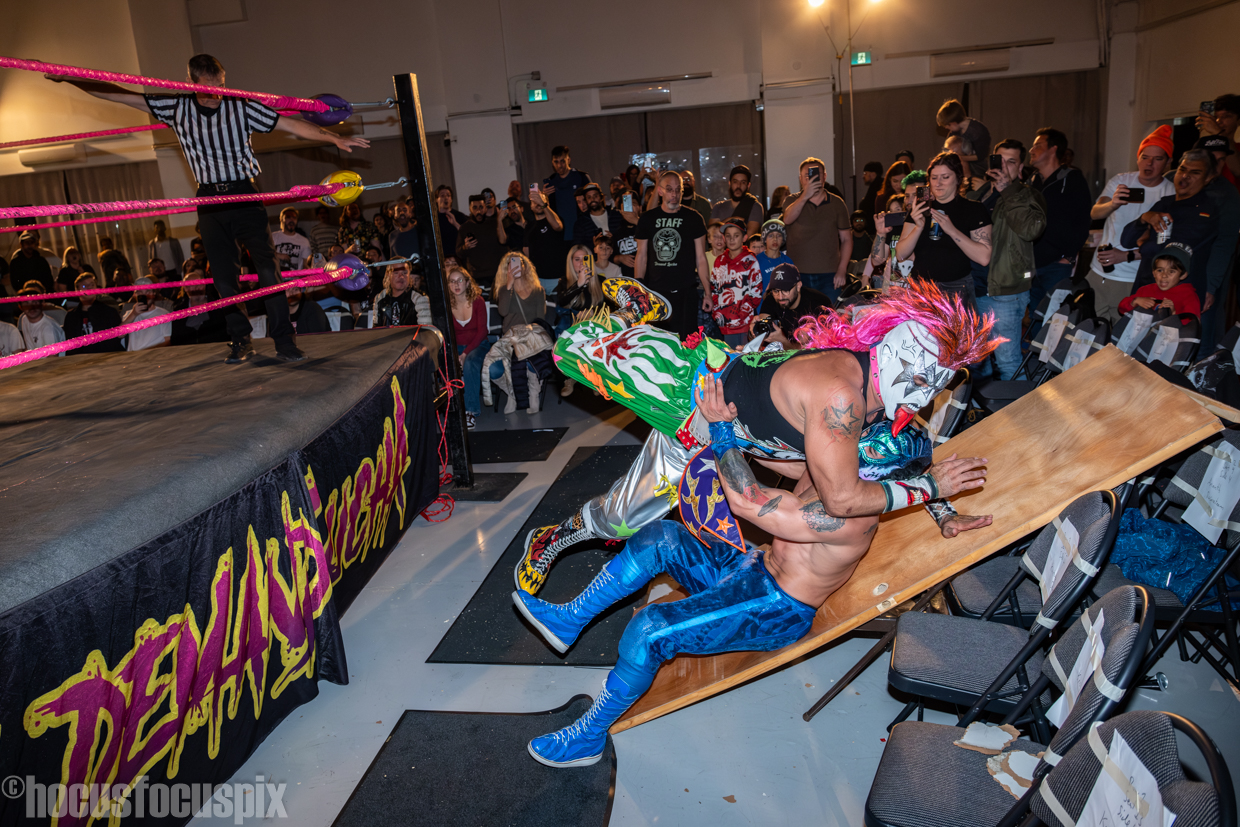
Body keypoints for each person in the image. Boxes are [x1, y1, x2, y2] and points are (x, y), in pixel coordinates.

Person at [512, 288, 996, 768]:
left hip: (775, 608)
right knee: (658, 538)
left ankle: (589, 736)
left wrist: (720, 427)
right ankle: (569, 618)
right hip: (753, 568)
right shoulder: (847, 466)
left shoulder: (851, 509)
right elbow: (792, 467)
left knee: (651, 629)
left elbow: (748, 502)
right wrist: (944, 511)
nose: (862, 438)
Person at [514, 276, 998, 596]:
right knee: (569, 351)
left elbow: (907, 455)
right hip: (696, 399)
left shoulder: (877, 393)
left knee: (643, 524)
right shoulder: (842, 397)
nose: (930, 390)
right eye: (927, 373)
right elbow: (844, 499)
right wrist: (934, 490)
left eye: (944, 379)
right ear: (896, 351)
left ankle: (634, 319)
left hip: (736, 430)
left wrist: (944, 511)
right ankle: (548, 539)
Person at [48, 53, 369, 364]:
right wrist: (70, 79)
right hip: (210, 201)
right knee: (225, 279)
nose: (216, 96)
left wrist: (333, 138)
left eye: (220, 87)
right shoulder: (175, 106)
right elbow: (120, 94)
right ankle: (241, 341)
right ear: (190, 82)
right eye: (208, 88)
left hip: (245, 194)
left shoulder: (239, 105)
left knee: (270, 271)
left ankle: (284, 341)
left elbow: (290, 124)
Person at [1085, 126, 1176, 325]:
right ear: (1137, 158)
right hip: (1098, 271)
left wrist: (1126, 255)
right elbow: (1095, 212)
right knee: (1088, 331)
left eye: (1157, 158)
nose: (1149, 163)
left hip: (1133, 278)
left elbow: (1166, 245)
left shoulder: (1170, 192)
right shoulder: (1121, 180)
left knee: (1121, 339)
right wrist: (1113, 203)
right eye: (1144, 157)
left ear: (1168, 162)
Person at [977, 139, 1047, 381]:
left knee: (1008, 363)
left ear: (1020, 168)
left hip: (1005, 291)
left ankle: (1021, 415)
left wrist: (1007, 191)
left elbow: (1030, 230)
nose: (1004, 167)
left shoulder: (1028, 195)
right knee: (977, 365)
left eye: (1011, 162)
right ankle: (982, 415)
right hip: (972, 288)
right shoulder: (979, 192)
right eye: (1000, 160)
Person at [1122, 150, 1226, 309]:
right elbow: (1126, 241)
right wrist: (1144, 218)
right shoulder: (1165, 203)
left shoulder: (1207, 210)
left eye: (1195, 172)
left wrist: (1145, 244)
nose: (1185, 176)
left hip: (1178, 297)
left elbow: (1169, 250)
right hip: (1146, 288)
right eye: (1182, 170)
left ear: (1208, 178)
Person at [896, 152, 992, 307]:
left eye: (945, 177)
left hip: (956, 289)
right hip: (921, 288)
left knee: (956, 332)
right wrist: (918, 226)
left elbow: (984, 257)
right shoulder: (921, 208)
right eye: (934, 178)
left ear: (958, 179)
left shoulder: (973, 209)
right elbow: (900, 254)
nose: (938, 183)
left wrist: (952, 231)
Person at [1028, 127, 1092, 324]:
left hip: (1057, 265)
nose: (1031, 150)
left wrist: (1068, 256)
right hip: (1031, 265)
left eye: (1038, 145)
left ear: (1053, 149)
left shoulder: (1072, 179)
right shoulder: (1032, 181)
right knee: (1035, 319)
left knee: (1056, 322)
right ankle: (1035, 355)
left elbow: (1083, 220)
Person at [635, 171, 710, 339]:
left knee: (687, 343)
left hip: (686, 291)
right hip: (656, 292)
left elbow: (701, 258)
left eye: (678, 189)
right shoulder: (648, 219)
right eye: (669, 189)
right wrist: (639, 293)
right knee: (658, 343)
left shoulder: (694, 218)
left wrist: (708, 292)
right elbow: (641, 256)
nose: (674, 194)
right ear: (660, 191)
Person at [781, 158, 853, 302]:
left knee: (828, 319)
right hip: (797, 274)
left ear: (824, 177)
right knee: (801, 319)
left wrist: (842, 269)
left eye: (816, 174)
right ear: (801, 179)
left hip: (830, 275)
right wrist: (805, 196)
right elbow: (787, 219)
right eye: (807, 175)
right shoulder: (791, 200)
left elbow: (846, 239)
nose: (811, 178)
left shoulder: (837, 202)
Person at [489, 252, 551, 413]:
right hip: (510, 337)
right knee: (491, 366)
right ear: (506, 269)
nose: (515, 266)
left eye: (519, 263)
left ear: (525, 267)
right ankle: (512, 393)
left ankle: (533, 394)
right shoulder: (503, 289)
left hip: (532, 336)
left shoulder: (538, 290)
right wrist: (508, 285)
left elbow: (540, 319)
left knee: (529, 354)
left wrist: (528, 336)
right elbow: (502, 311)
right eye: (511, 264)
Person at [709, 218, 763, 347]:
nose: (732, 239)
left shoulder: (750, 261)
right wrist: (717, 312)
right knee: (728, 357)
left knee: (743, 356)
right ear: (724, 238)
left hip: (744, 323)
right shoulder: (719, 260)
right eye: (728, 236)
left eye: (736, 235)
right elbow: (714, 287)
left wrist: (743, 314)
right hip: (723, 322)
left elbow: (756, 291)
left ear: (744, 238)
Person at [750, 262, 831, 348]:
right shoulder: (771, 299)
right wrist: (754, 334)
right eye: (775, 291)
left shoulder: (818, 303)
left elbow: (807, 352)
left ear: (798, 286)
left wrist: (783, 342)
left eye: (785, 290)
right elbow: (761, 330)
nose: (780, 297)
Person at [450, 266, 489, 429]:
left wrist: (465, 353)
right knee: (446, 362)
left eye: (460, 280)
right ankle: (452, 410)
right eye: (452, 281)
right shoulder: (447, 304)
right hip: (456, 346)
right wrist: (455, 353)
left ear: (467, 283)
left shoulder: (477, 301)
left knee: (470, 362)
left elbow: (482, 332)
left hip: (478, 345)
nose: (456, 284)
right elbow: (447, 333)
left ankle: (470, 411)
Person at [1117, 243, 1200, 319]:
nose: (1164, 275)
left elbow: (1192, 325)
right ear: (1153, 273)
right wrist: (1135, 301)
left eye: (1171, 271)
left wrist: (1173, 313)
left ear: (1183, 275)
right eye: (1160, 270)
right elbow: (1122, 308)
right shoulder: (1145, 290)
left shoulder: (1188, 296)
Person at [456, 194, 509, 289]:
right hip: (476, 277)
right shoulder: (464, 228)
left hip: (498, 275)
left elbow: (503, 242)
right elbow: (458, 253)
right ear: (470, 209)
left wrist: (500, 221)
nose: (478, 211)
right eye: (475, 208)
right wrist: (465, 247)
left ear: (485, 208)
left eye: (481, 207)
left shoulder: (495, 223)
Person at [62, 272, 124, 353]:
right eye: (84, 286)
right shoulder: (72, 317)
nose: (89, 288)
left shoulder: (109, 312)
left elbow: (115, 340)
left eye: (92, 285)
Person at [544, 145, 591, 244]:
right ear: (552, 163)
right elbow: (546, 209)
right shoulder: (551, 181)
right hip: (560, 234)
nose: (559, 165)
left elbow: (593, 201)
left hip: (582, 232)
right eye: (556, 162)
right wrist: (544, 197)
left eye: (562, 161)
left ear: (568, 160)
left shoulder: (581, 177)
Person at [171, 268, 229, 346]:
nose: (196, 287)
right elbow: (176, 340)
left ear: (204, 285)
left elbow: (226, 335)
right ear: (185, 288)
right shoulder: (178, 312)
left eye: (199, 284)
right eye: (192, 285)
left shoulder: (218, 308)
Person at [936, 99, 991, 181]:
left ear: (954, 123)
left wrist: (958, 157)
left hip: (977, 172)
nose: (947, 128)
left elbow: (980, 156)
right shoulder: (954, 132)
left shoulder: (978, 131)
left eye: (947, 125)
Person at [522, 187, 566, 284]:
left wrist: (543, 204)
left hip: (558, 277)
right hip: (537, 279)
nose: (538, 204)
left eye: (541, 200)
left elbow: (558, 226)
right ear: (531, 206)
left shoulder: (556, 219)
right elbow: (526, 252)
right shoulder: (529, 226)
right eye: (535, 201)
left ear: (547, 203)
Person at [1197, 94, 1240, 191]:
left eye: (1226, 116)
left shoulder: (1238, 148)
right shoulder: (1204, 148)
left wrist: (1219, 133)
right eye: (1215, 117)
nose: (1219, 121)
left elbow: (1238, 170)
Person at [710, 165, 764, 236]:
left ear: (748, 185)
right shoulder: (718, 207)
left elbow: (748, 236)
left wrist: (724, 223)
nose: (738, 186)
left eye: (743, 182)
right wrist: (732, 219)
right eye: (735, 182)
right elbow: (712, 233)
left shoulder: (754, 206)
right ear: (730, 184)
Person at [373, 260, 431, 327]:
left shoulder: (419, 298)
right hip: (386, 337)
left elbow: (425, 330)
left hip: (411, 337)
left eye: (404, 273)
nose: (401, 276)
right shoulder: (380, 297)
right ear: (388, 275)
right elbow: (376, 328)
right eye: (396, 272)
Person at [119, 278, 172, 351]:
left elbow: (167, 341)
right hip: (134, 359)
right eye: (140, 292)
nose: (145, 295)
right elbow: (120, 334)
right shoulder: (130, 314)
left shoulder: (163, 314)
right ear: (135, 295)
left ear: (153, 294)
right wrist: (134, 314)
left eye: (148, 291)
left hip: (155, 358)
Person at [573, 183, 627, 248]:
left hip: (618, 256)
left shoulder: (617, 215)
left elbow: (627, 237)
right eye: (589, 197)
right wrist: (595, 245)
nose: (592, 199)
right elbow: (577, 248)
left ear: (601, 197)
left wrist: (613, 239)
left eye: (595, 196)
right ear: (586, 201)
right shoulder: (581, 223)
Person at [16, 282, 65, 352]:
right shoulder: (24, 319)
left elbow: (53, 357)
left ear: (42, 304)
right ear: (20, 307)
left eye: (35, 302)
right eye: (26, 303)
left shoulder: (48, 328)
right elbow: (30, 348)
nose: (31, 307)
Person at [755, 219, 793, 293]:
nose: (775, 239)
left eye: (779, 235)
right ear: (764, 239)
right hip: (762, 303)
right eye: (771, 235)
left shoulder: (788, 261)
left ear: (783, 239)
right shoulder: (756, 261)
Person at [272, 207, 312, 272]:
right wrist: (278, 255)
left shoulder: (304, 241)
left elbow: (305, 265)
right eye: (288, 217)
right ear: (281, 220)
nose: (291, 220)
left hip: (295, 279)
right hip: (276, 278)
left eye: (294, 217)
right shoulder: (273, 237)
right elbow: (263, 253)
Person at [436, 185, 468, 258]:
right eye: (442, 195)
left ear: (451, 199)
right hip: (441, 258)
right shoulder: (433, 219)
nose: (446, 198)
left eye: (448, 195)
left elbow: (467, 235)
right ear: (436, 199)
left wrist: (455, 223)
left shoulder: (460, 216)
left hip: (458, 258)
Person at [858, 161, 885, 226]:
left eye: (865, 173)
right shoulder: (878, 185)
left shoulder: (876, 186)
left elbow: (868, 205)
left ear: (873, 174)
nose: (863, 176)